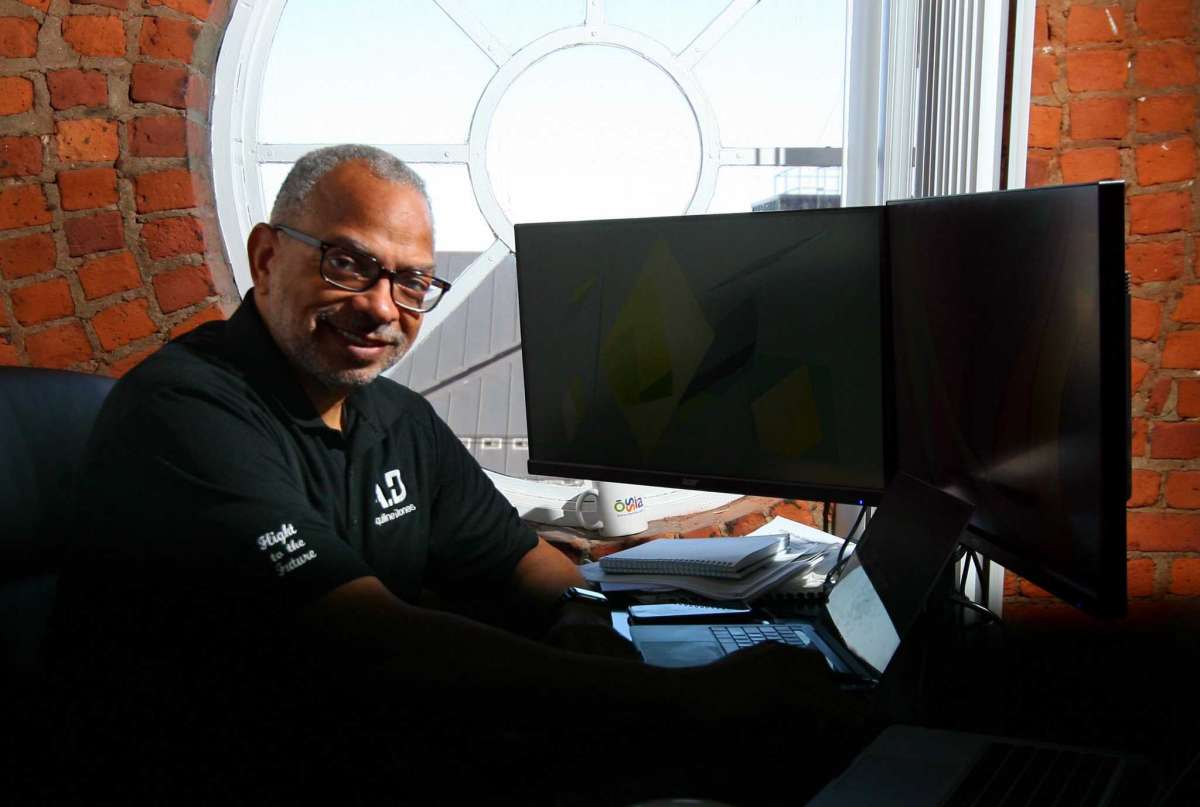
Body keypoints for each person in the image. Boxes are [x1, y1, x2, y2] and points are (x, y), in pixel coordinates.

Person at [50, 145, 861, 804]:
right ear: (267, 257)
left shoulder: (393, 418)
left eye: (410, 282)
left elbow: (518, 559)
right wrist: (687, 698)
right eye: (348, 264)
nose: (380, 306)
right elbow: (368, 640)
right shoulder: (186, 411)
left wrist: (588, 621)